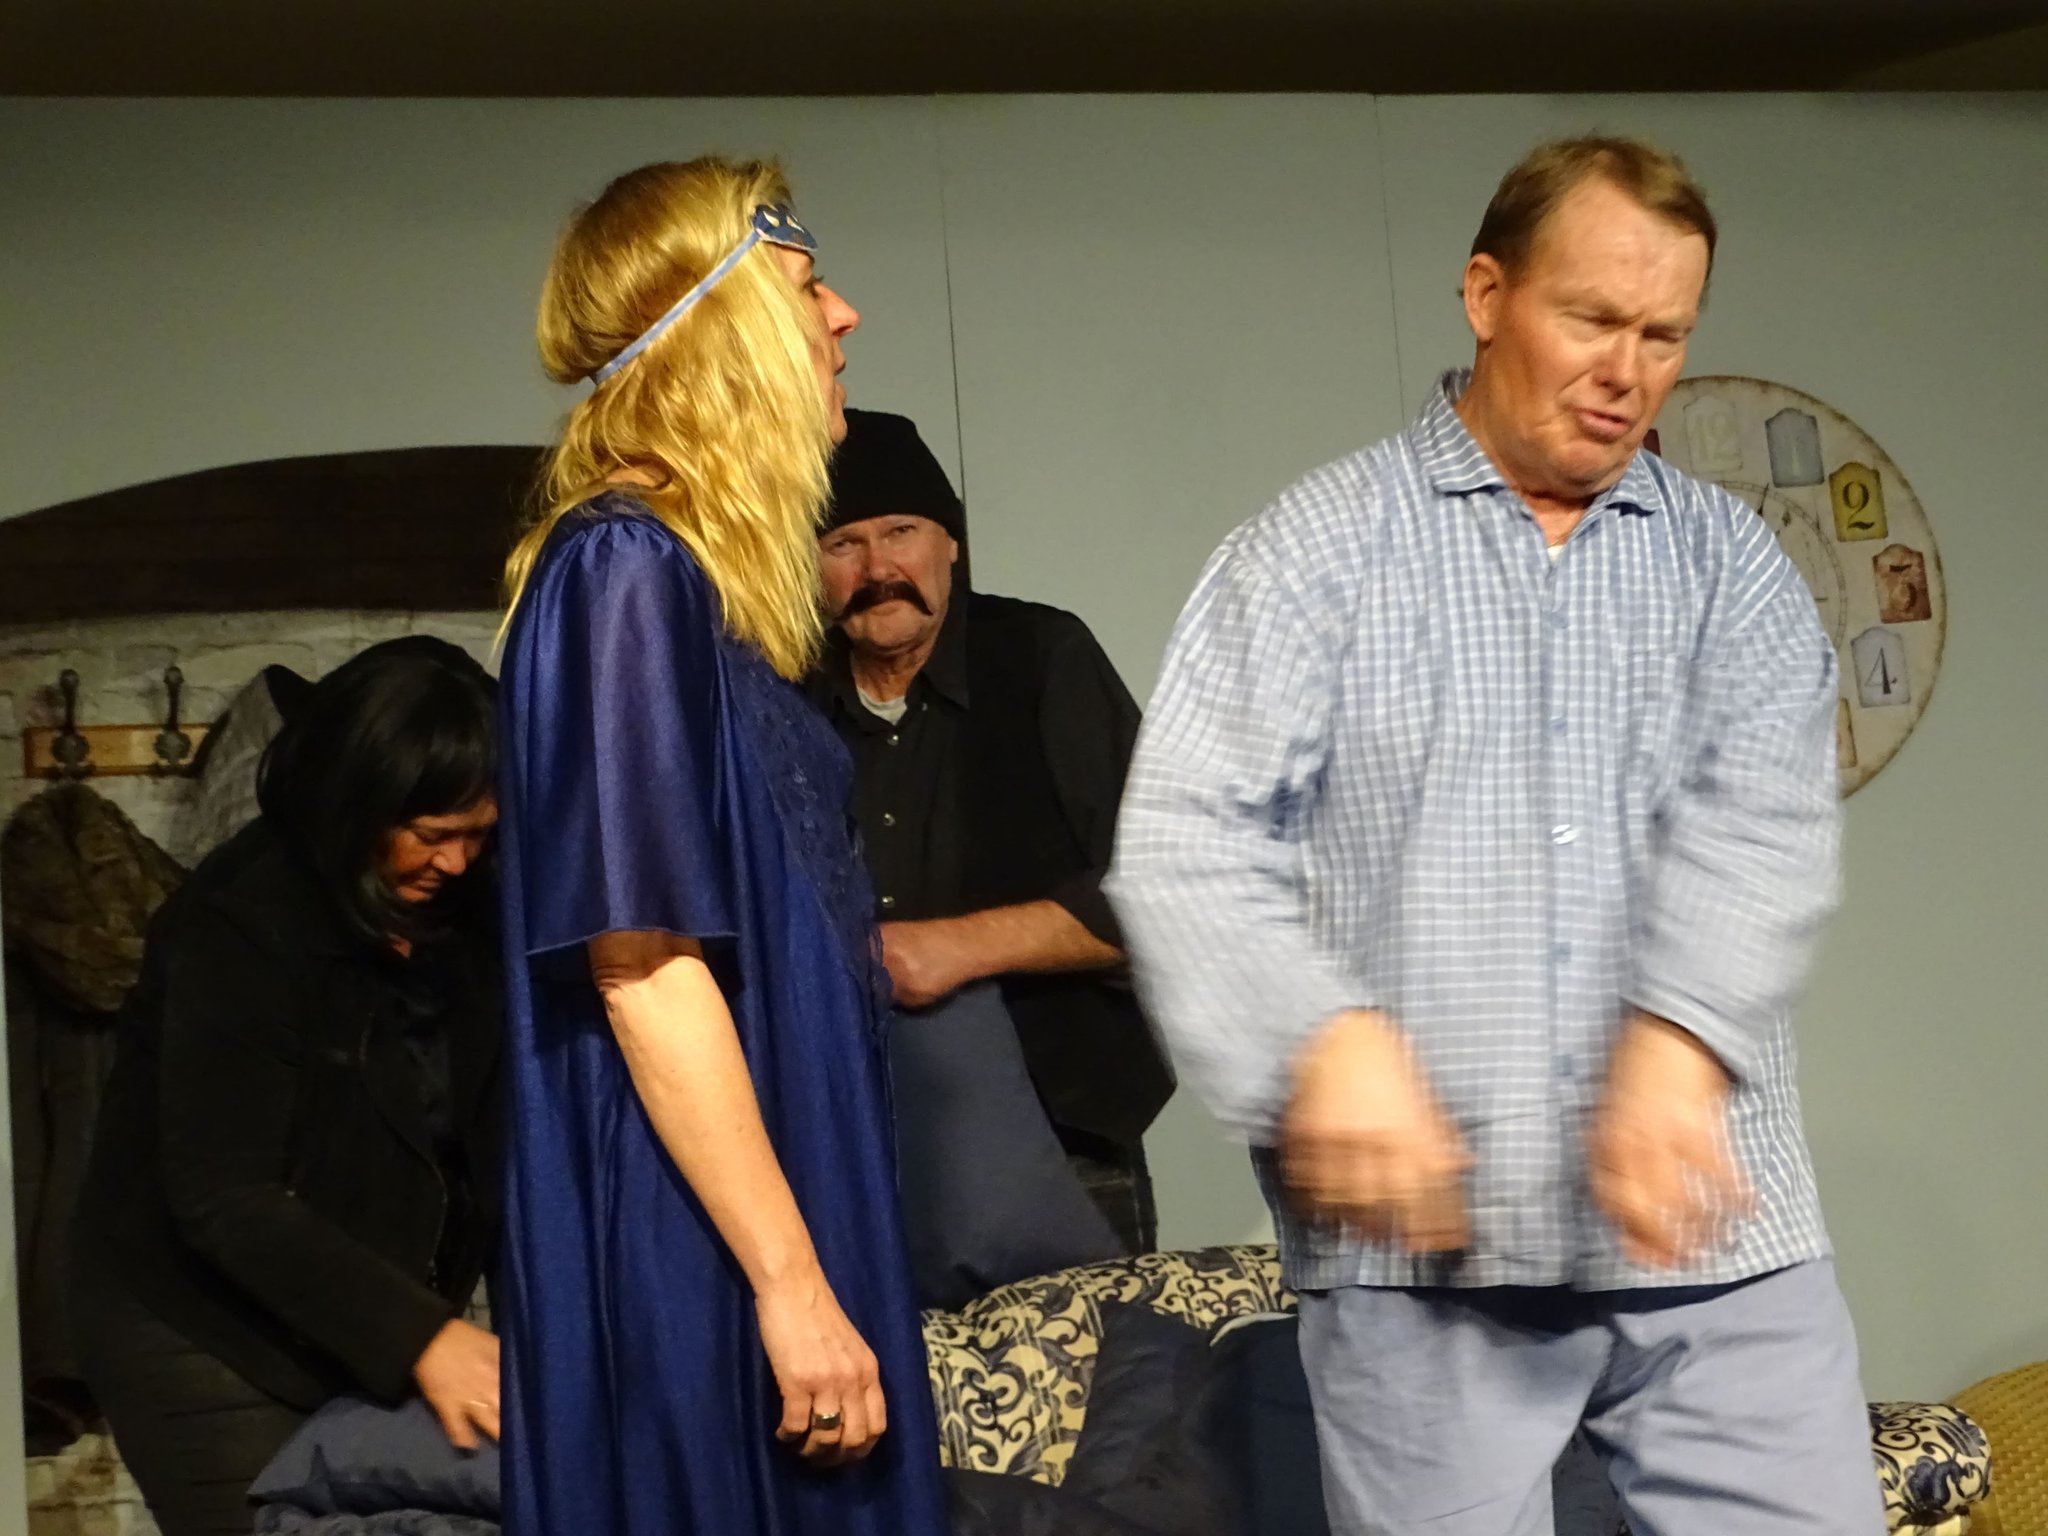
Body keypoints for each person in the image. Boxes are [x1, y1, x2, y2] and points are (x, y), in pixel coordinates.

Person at [1110, 136, 1884, 1535]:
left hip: (1716, 1244)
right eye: (1591, 319)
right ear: (1485, 294)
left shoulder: (1731, 566)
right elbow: (1187, 840)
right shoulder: (1311, 550)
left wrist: (1681, 1037)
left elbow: (1764, 826)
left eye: (1664, 335)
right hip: (1423, 1263)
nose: (1626, 370)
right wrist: (1317, 1045)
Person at [494, 158, 950, 1536]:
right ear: (722, 321)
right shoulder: (620, 570)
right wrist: (789, 1285)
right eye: (807, 284)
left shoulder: (691, 588)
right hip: (706, 1248)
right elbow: (640, 965)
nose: (844, 314)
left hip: (770, 1216)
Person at [69, 636, 504, 1536]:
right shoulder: (242, 921)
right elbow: (224, 1195)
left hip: (354, 1312)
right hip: (201, 1331)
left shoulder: (464, 910)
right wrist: (420, 1335)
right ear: (356, 803)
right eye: (433, 837)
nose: (459, 862)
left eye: (479, 834)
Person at [808, 408, 1173, 1304]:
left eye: (902, 532)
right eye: (844, 543)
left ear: (952, 544)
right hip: (847, 1162)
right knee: (881, 1395)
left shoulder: (1042, 657)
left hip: (1063, 1144)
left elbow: (1169, 893)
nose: (878, 568)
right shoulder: (780, 701)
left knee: (1102, 1389)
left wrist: (950, 949)